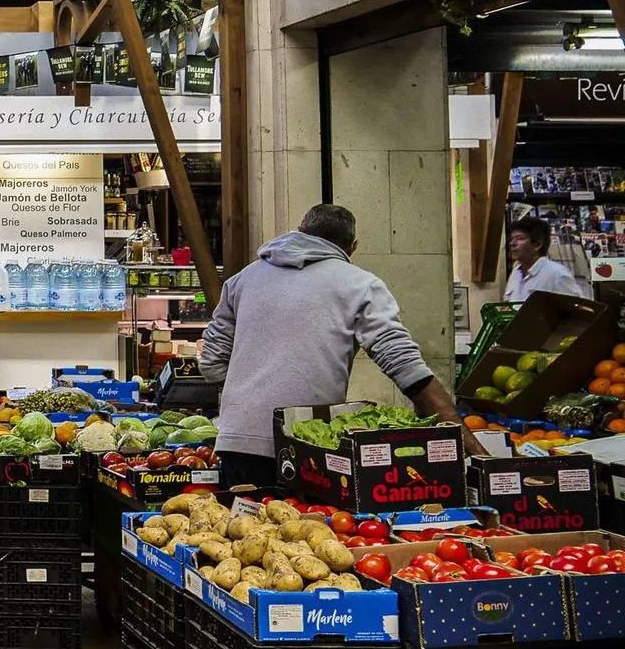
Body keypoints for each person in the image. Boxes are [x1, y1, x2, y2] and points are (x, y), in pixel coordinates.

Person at [200, 203, 464, 491]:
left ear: (300, 231)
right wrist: (459, 435)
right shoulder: (360, 285)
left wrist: (253, 389)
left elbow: (211, 364)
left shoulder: (243, 279)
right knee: (305, 530)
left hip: (239, 439)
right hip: (306, 441)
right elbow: (401, 362)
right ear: (353, 246)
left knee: (241, 530)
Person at [505, 216, 589, 301]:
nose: (512, 243)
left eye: (520, 238)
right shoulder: (515, 273)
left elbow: (578, 310)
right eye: (511, 239)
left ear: (537, 245)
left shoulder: (557, 275)